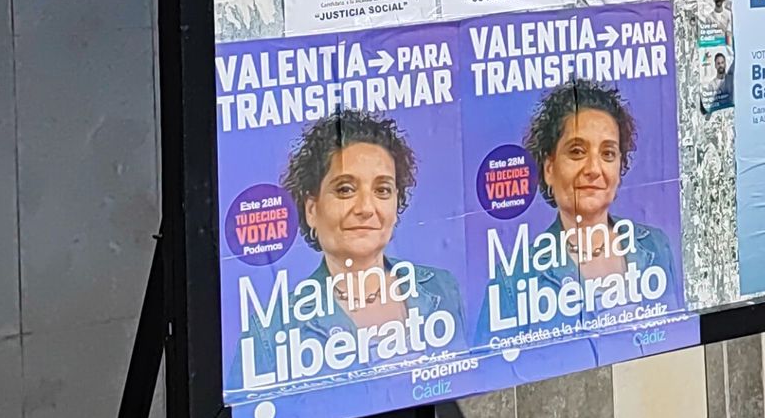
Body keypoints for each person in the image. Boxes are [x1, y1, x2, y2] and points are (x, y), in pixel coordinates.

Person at [232, 110, 464, 388]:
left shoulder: (441, 288)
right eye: (345, 190)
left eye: (382, 190)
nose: (366, 208)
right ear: (311, 210)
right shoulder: (272, 330)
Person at [476, 81, 680, 345]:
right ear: (549, 168)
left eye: (608, 153)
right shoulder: (514, 277)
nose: (593, 168)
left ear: (620, 167)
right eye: (576, 151)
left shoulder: (655, 246)